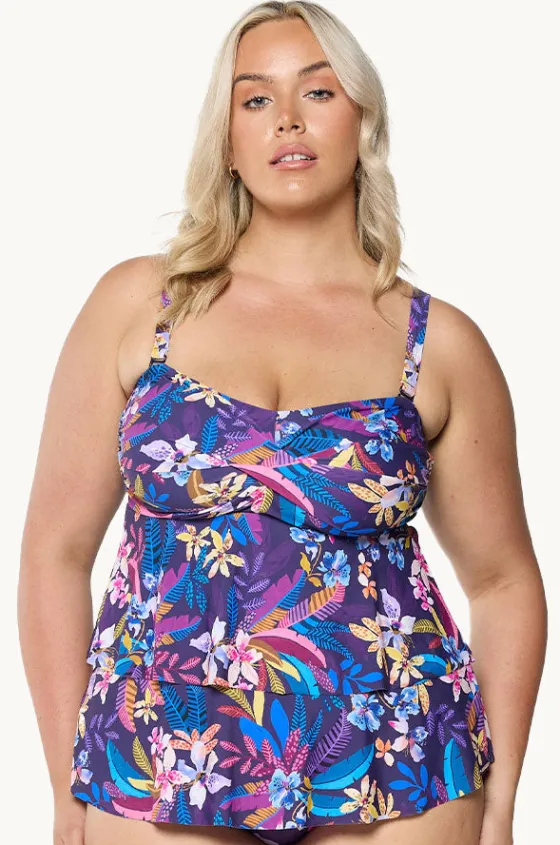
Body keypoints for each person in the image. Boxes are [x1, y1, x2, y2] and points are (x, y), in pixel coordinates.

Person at [19, 3, 546, 845]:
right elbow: (54, 550)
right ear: (226, 139)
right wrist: (63, 781)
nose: (288, 120)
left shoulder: (439, 343)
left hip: (398, 750)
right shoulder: (139, 306)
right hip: (160, 748)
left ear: (363, 120)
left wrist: (504, 799)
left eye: (319, 91)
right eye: (256, 98)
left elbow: (502, 579)